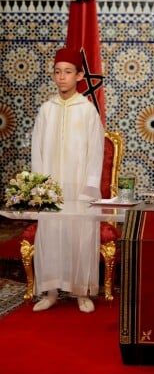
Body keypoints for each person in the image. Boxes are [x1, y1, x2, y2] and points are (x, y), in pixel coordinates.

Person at [31, 47, 105, 313]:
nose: (62, 78)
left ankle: (80, 292)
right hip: (51, 188)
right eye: (58, 72)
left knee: (80, 235)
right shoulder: (46, 111)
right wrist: (40, 188)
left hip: (78, 187)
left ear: (80, 75)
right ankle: (50, 291)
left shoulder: (87, 111)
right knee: (51, 233)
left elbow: (96, 152)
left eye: (68, 72)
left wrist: (89, 188)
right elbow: (37, 151)